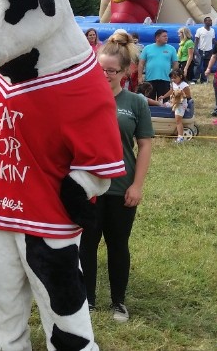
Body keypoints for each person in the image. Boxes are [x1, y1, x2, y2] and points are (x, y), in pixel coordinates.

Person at [80, 31, 153, 323]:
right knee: (86, 244)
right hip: (88, 188)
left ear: (125, 72)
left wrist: (137, 185)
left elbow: (145, 144)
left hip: (122, 188)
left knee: (118, 245)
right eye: (100, 70)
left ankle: (118, 302)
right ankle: (87, 301)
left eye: (111, 71)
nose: (105, 75)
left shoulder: (136, 103)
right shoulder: (83, 98)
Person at [138, 29, 178, 99]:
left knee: (164, 102)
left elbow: (175, 63)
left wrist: (173, 76)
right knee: (149, 101)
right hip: (150, 79)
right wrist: (140, 77)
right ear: (157, 38)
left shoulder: (171, 49)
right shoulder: (147, 48)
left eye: (167, 36)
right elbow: (141, 64)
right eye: (164, 36)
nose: (166, 38)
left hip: (165, 79)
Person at [161, 69, 192, 142]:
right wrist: (164, 96)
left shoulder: (184, 85)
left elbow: (188, 95)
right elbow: (171, 91)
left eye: (175, 78)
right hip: (173, 102)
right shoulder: (173, 84)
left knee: (178, 120)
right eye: (172, 78)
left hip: (181, 104)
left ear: (180, 76)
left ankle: (180, 137)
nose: (173, 79)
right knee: (163, 105)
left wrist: (181, 95)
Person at [194, 17, 215, 83]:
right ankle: (195, 79)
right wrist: (195, 49)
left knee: (206, 66)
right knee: (198, 65)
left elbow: (213, 40)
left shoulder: (212, 30)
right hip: (201, 50)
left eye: (211, 21)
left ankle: (204, 79)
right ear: (205, 22)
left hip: (209, 50)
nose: (211, 22)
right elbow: (196, 40)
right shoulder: (200, 30)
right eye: (209, 21)